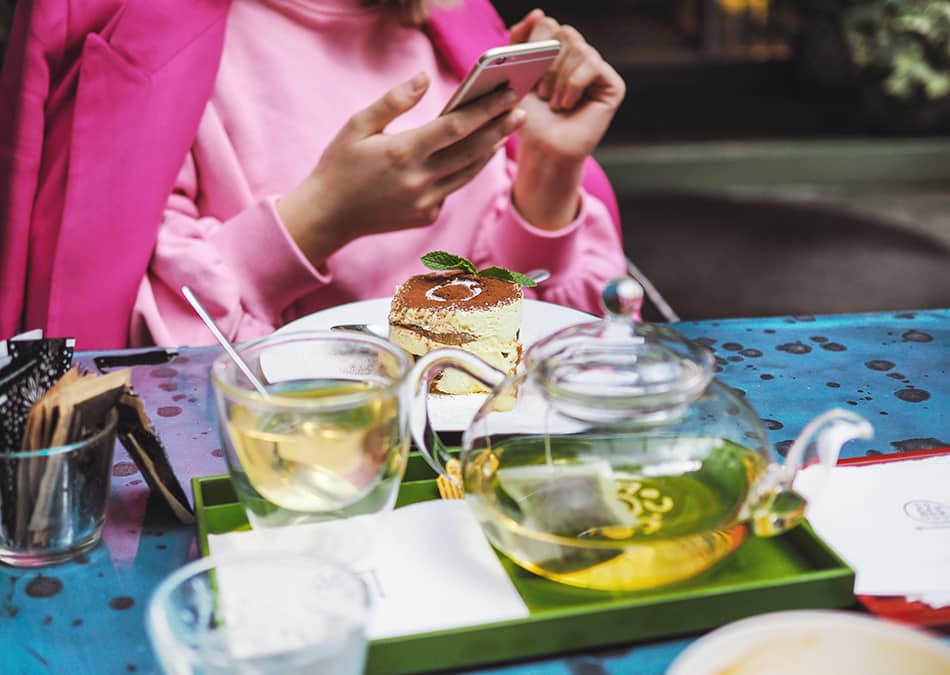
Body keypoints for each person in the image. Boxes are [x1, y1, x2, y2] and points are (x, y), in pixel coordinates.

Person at [0, 0, 627, 349]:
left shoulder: (450, 21)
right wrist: (318, 219)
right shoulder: (155, 48)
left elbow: (523, 340)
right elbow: (135, 371)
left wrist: (546, 171)